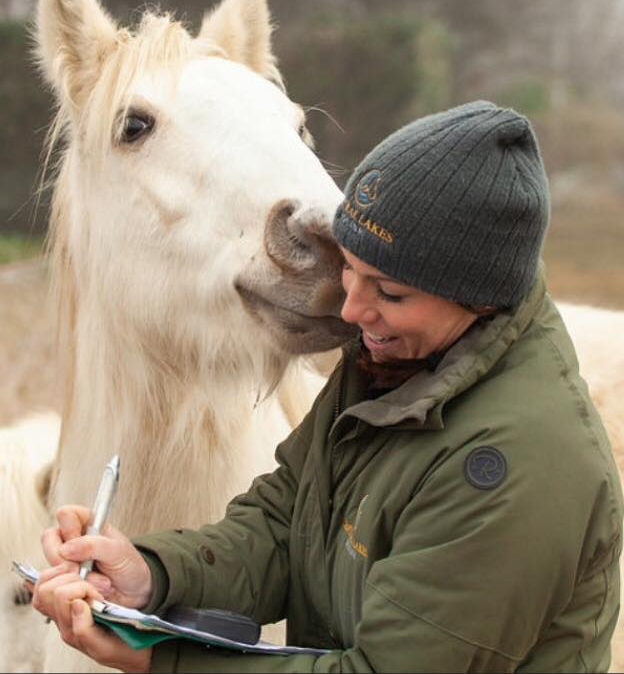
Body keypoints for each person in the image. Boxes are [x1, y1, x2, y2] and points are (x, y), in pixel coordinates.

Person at [32, 100, 623, 673]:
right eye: (350, 270)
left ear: (480, 298)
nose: (351, 309)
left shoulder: (518, 470)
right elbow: (289, 524)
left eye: (390, 293)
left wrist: (162, 659)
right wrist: (154, 572)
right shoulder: (402, 360)